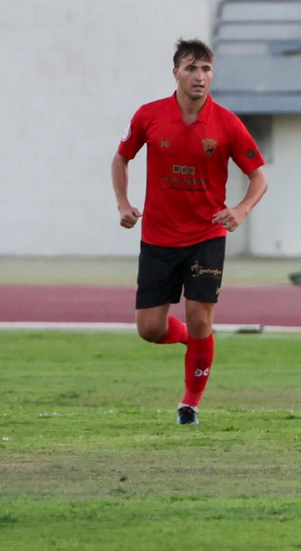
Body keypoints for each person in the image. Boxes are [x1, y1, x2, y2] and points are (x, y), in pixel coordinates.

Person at [113, 38, 268, 426]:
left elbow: (258, 177)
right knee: (149, 329)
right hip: (158, 238)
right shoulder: (150, 116)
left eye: (206, 69)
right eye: (192, 68)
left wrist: (241, 209)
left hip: (206, 236)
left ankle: (189, 405)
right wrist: (123, 203)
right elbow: (121, 157)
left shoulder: (227, 123)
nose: (200, 76)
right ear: (176, 73)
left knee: (202, 319)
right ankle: (189, 340)